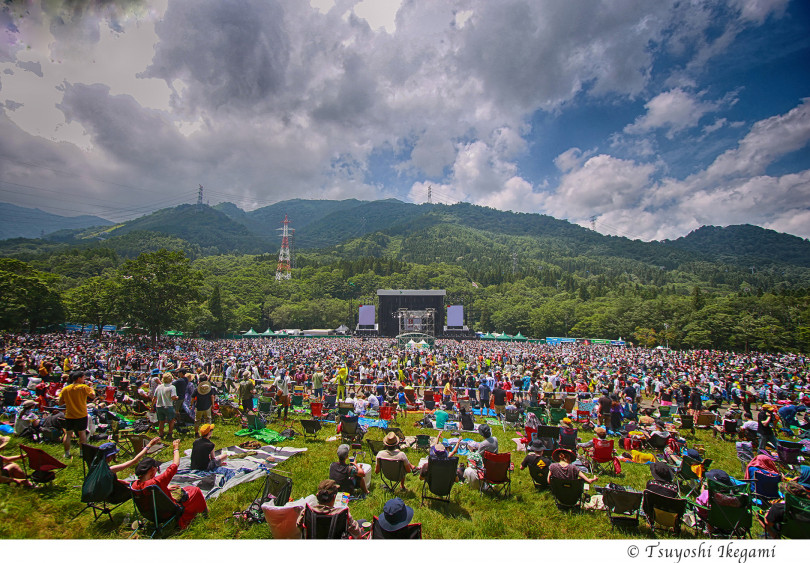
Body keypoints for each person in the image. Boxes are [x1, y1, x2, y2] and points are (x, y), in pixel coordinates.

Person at [130, 439, 208, 530]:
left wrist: (164, 489)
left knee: (181, 489)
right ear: (152, 469)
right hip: (166, 513)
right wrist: (176, 448)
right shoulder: (157, 482)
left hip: (150, 514)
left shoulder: (134, 485)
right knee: (195, 490)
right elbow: (175, 464)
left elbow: (149, 494)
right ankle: (205, 514)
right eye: (157, 468)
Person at [96, 437, 162, 504]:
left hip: (102, 494)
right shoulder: (110, 469)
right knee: (143, 483)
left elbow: (112, 481)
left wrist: (126, 482)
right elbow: (135, 460)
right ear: (110, 457)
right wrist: (148, 446)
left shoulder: (96, 468)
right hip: (114, 497)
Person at [296, 479, 366, 538]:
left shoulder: (307, 511)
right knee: (363, 521)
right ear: (334, 497)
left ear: (317, 495)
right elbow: (357, 533)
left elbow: (299, 525)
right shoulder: (342, 513)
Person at [57, 370, 95, 459]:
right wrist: (91, 387)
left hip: (69, 414)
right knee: (82, 433)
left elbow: (60, 402)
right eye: (83, 377)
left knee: (68, 434)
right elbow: (92, 396)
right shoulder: (84, 387)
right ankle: (82, 452)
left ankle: (66, 453)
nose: (84, 379)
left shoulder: (66, 388)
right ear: (79, 379)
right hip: (81, 414)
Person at [153, 373, 178, 440]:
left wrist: (152, 405)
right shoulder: (172, 387)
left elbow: (154, 397)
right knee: (171, 420)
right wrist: (176, 398)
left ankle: (161, 434)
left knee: (161, 421)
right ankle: (170, 433)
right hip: (168, 405)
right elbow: (173, 397)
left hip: (159, 406)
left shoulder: (159, 387)